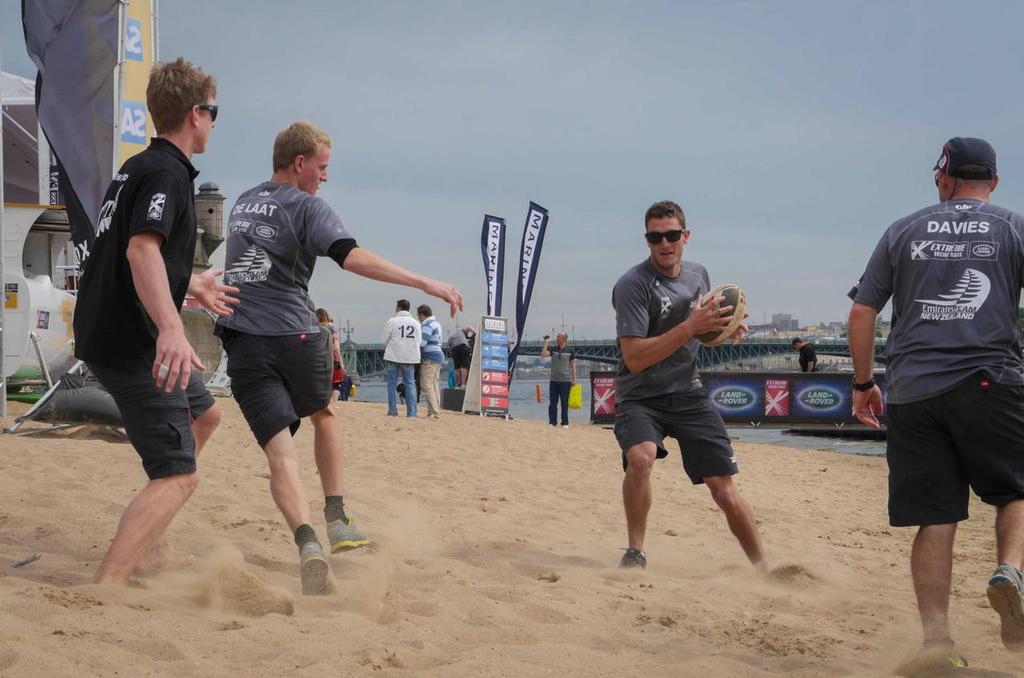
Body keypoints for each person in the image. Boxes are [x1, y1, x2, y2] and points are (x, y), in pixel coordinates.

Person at [216, 121, 463, 594]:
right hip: (297, 337)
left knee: (278, 452)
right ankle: (337, 517)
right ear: (300, 163)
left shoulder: (243, 202)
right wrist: (424, 282)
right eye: (323, 167)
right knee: (324, 414)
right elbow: (350, 257)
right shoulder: (307, 206)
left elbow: (240, 263)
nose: (325, 177)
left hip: (243, 339)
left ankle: (306, 541)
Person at [849, 137, 1024, 667]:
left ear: (943, 180)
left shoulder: (903, 229)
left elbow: (863, 314)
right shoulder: (1013, 226)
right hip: (990, 381)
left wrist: (863, 385)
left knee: (936, 517)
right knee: (1015, 491)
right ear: (992, 182)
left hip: (914, 392)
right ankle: (1011, 570)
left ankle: (936, 644)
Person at [73, 58, 238, 584]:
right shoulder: (165, 171)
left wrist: (188, 284)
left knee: (205, 416)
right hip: (132, 340)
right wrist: (171, 327)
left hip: (115, 327)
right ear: (196, 113)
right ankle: (109, 585)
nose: (215, 121)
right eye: (214, 112)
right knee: (178, 474)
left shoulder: (140, 168)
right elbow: (142, 250)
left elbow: (130, 251)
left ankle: (155, 537)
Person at [611, 200, 767, 573]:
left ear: (686, 236)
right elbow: (634, 357)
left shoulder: (699, 275)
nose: (665, 243)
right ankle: (636, 551)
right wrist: (690, 328)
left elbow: (701, 327)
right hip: (640, 395)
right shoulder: (632, 286)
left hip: (687, 392)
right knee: (641, 458)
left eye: (672, 235)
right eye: (655, 237)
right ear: (647, 240)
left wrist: (724, 330)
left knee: (723, 489)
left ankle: (763, 568)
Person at [382, 299, 422, 417]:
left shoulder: (392, 321)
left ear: (399, 308)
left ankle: (393, 411)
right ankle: (412, 413)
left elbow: (384, 339)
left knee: (391, 384)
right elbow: (419, 341)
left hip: (393, 355)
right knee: (410, 384)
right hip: (409, 357)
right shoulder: (416, 323)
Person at [540, 332, 576, 427]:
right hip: (553, 380)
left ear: (564, 339)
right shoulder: (553, 349)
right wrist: (546, 342)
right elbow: (543, 354)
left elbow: (573, 366)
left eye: (559, 337)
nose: (557, 339)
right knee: (553, 403)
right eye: (557, 337)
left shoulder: (570, 350)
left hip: (565, 381)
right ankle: (552, 422)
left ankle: (565, 423)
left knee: (564, 403)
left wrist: (574, 379)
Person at [417, 304, 444, 419]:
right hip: (438, 355)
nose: (418, 318)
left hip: (430, 357)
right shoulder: (436, 323)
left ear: (422, 314)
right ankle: (433, 411)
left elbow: (422, 343)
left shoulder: (427, 325)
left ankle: (435, 411)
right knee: (434, 385)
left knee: (426, 385)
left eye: (418, 316)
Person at [315, 308, 346, 404]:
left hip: (318, 358)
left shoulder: (314, 329)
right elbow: (336, 347)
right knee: (337, 382)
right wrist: (341, 362)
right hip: (331, 358)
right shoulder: (331, 329)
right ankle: (334, 403)